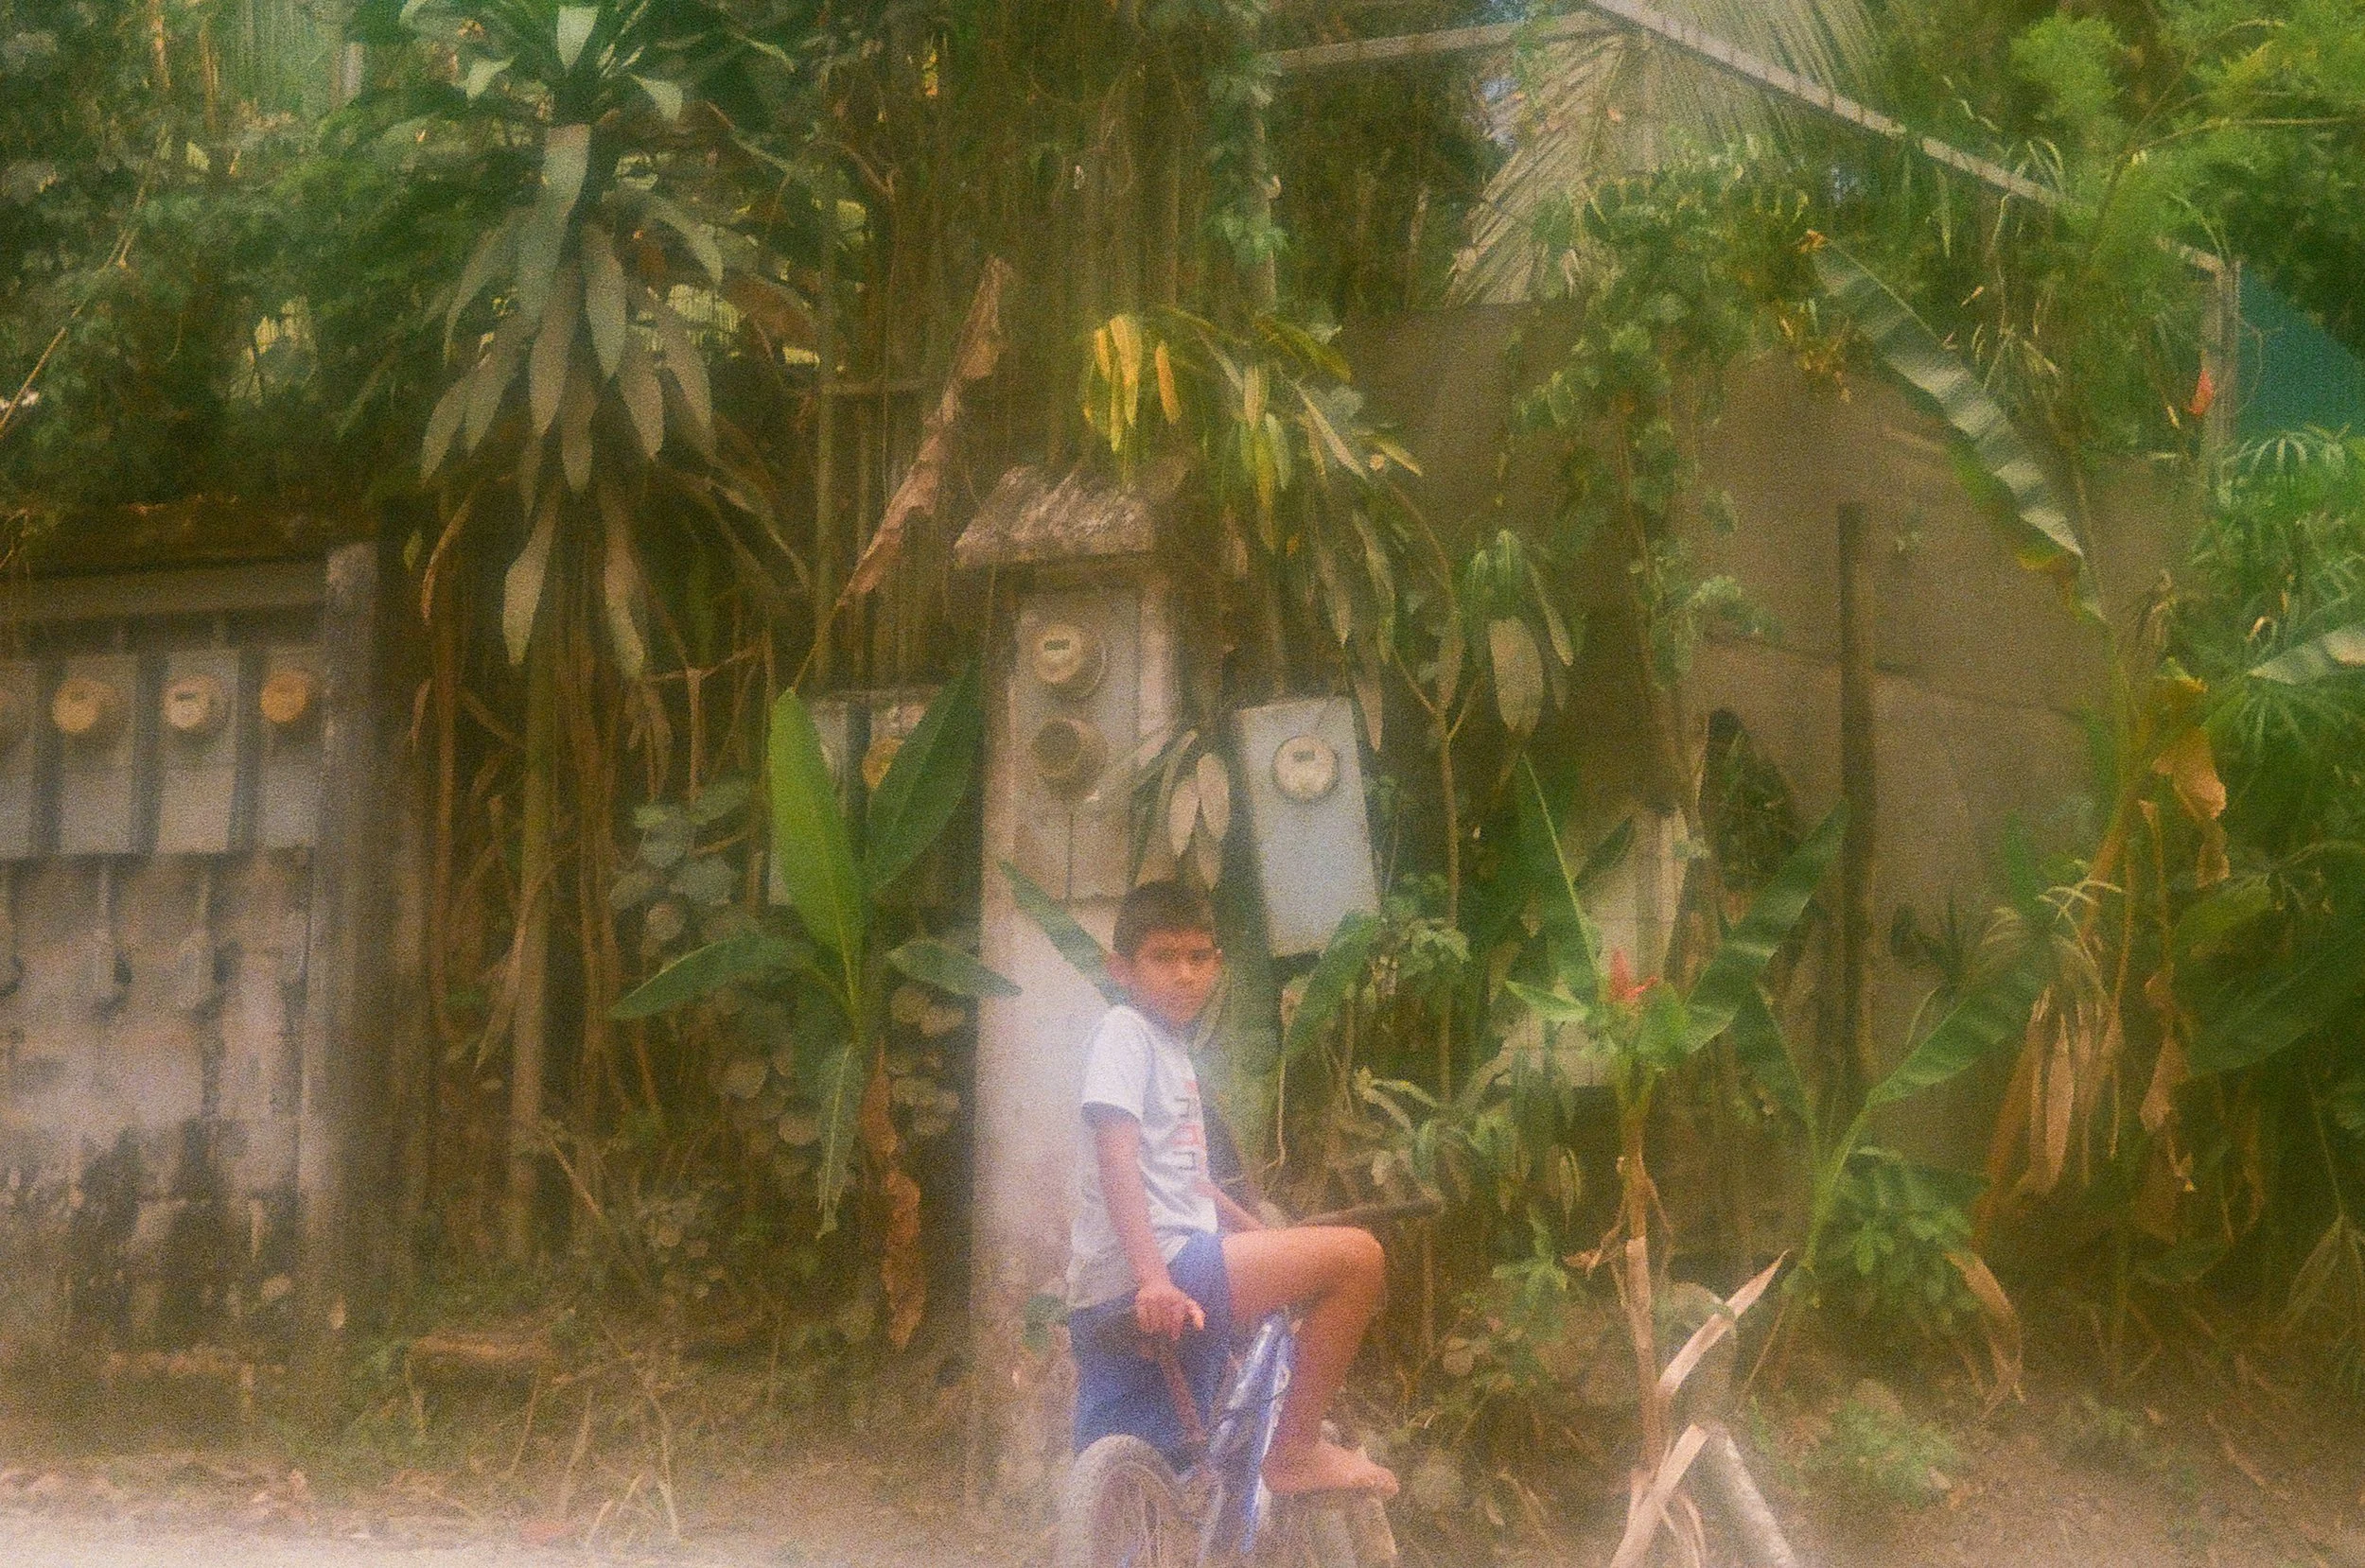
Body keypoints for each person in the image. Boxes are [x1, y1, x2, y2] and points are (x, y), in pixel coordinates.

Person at [1065, 880, 1397, 1496]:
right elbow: (1117, 1157)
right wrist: (1154, 1278)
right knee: (1359, 1259)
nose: (1184, 975)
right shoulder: (1124, 1031)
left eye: (1198, 958)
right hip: (1164, 1267)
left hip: (1115, 1283)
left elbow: (1186, 1180)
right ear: (1120, 970)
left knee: (1179, 1466)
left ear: (1218, 965)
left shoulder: (1168, 1050)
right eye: (1163, 958)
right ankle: (1295, 1452)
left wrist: (1256, 1230)